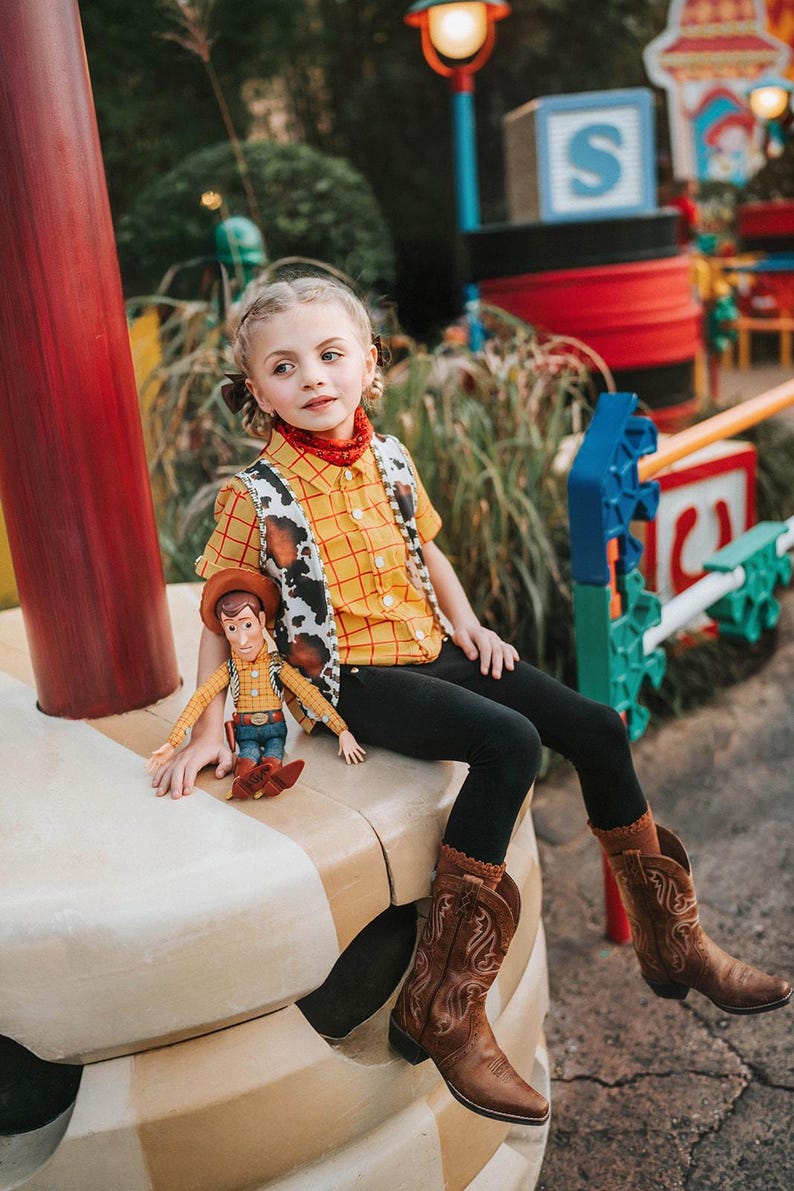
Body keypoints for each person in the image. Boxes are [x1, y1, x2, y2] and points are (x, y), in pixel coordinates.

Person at [152, 275, 791, 1128]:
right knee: (511, 743)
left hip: (435, 650)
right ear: (256, 388)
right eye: (284, 365)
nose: (313, 377)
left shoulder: (390, 458)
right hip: (346, 679)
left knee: (596, 726)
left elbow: (427, 552)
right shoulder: (257, 493)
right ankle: (446, 1003)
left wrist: (472, 625)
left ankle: (671, 939)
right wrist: (201, 727)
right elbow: (223, 609)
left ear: (369, 364)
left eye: (331, 354)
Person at [147, 568, 365, 800]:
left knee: (273, 756)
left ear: (261, 620)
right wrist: (173, 742)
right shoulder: (229, 669)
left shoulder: (276, 666)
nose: (241, 639)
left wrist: (341, 730)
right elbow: (202, 697)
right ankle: (243, 783)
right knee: (247, 758)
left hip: (274, 728)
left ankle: (272, 778)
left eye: (247, 625)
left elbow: (308, 694)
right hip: (246, 731)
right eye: (232, 628)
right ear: (224, 629)